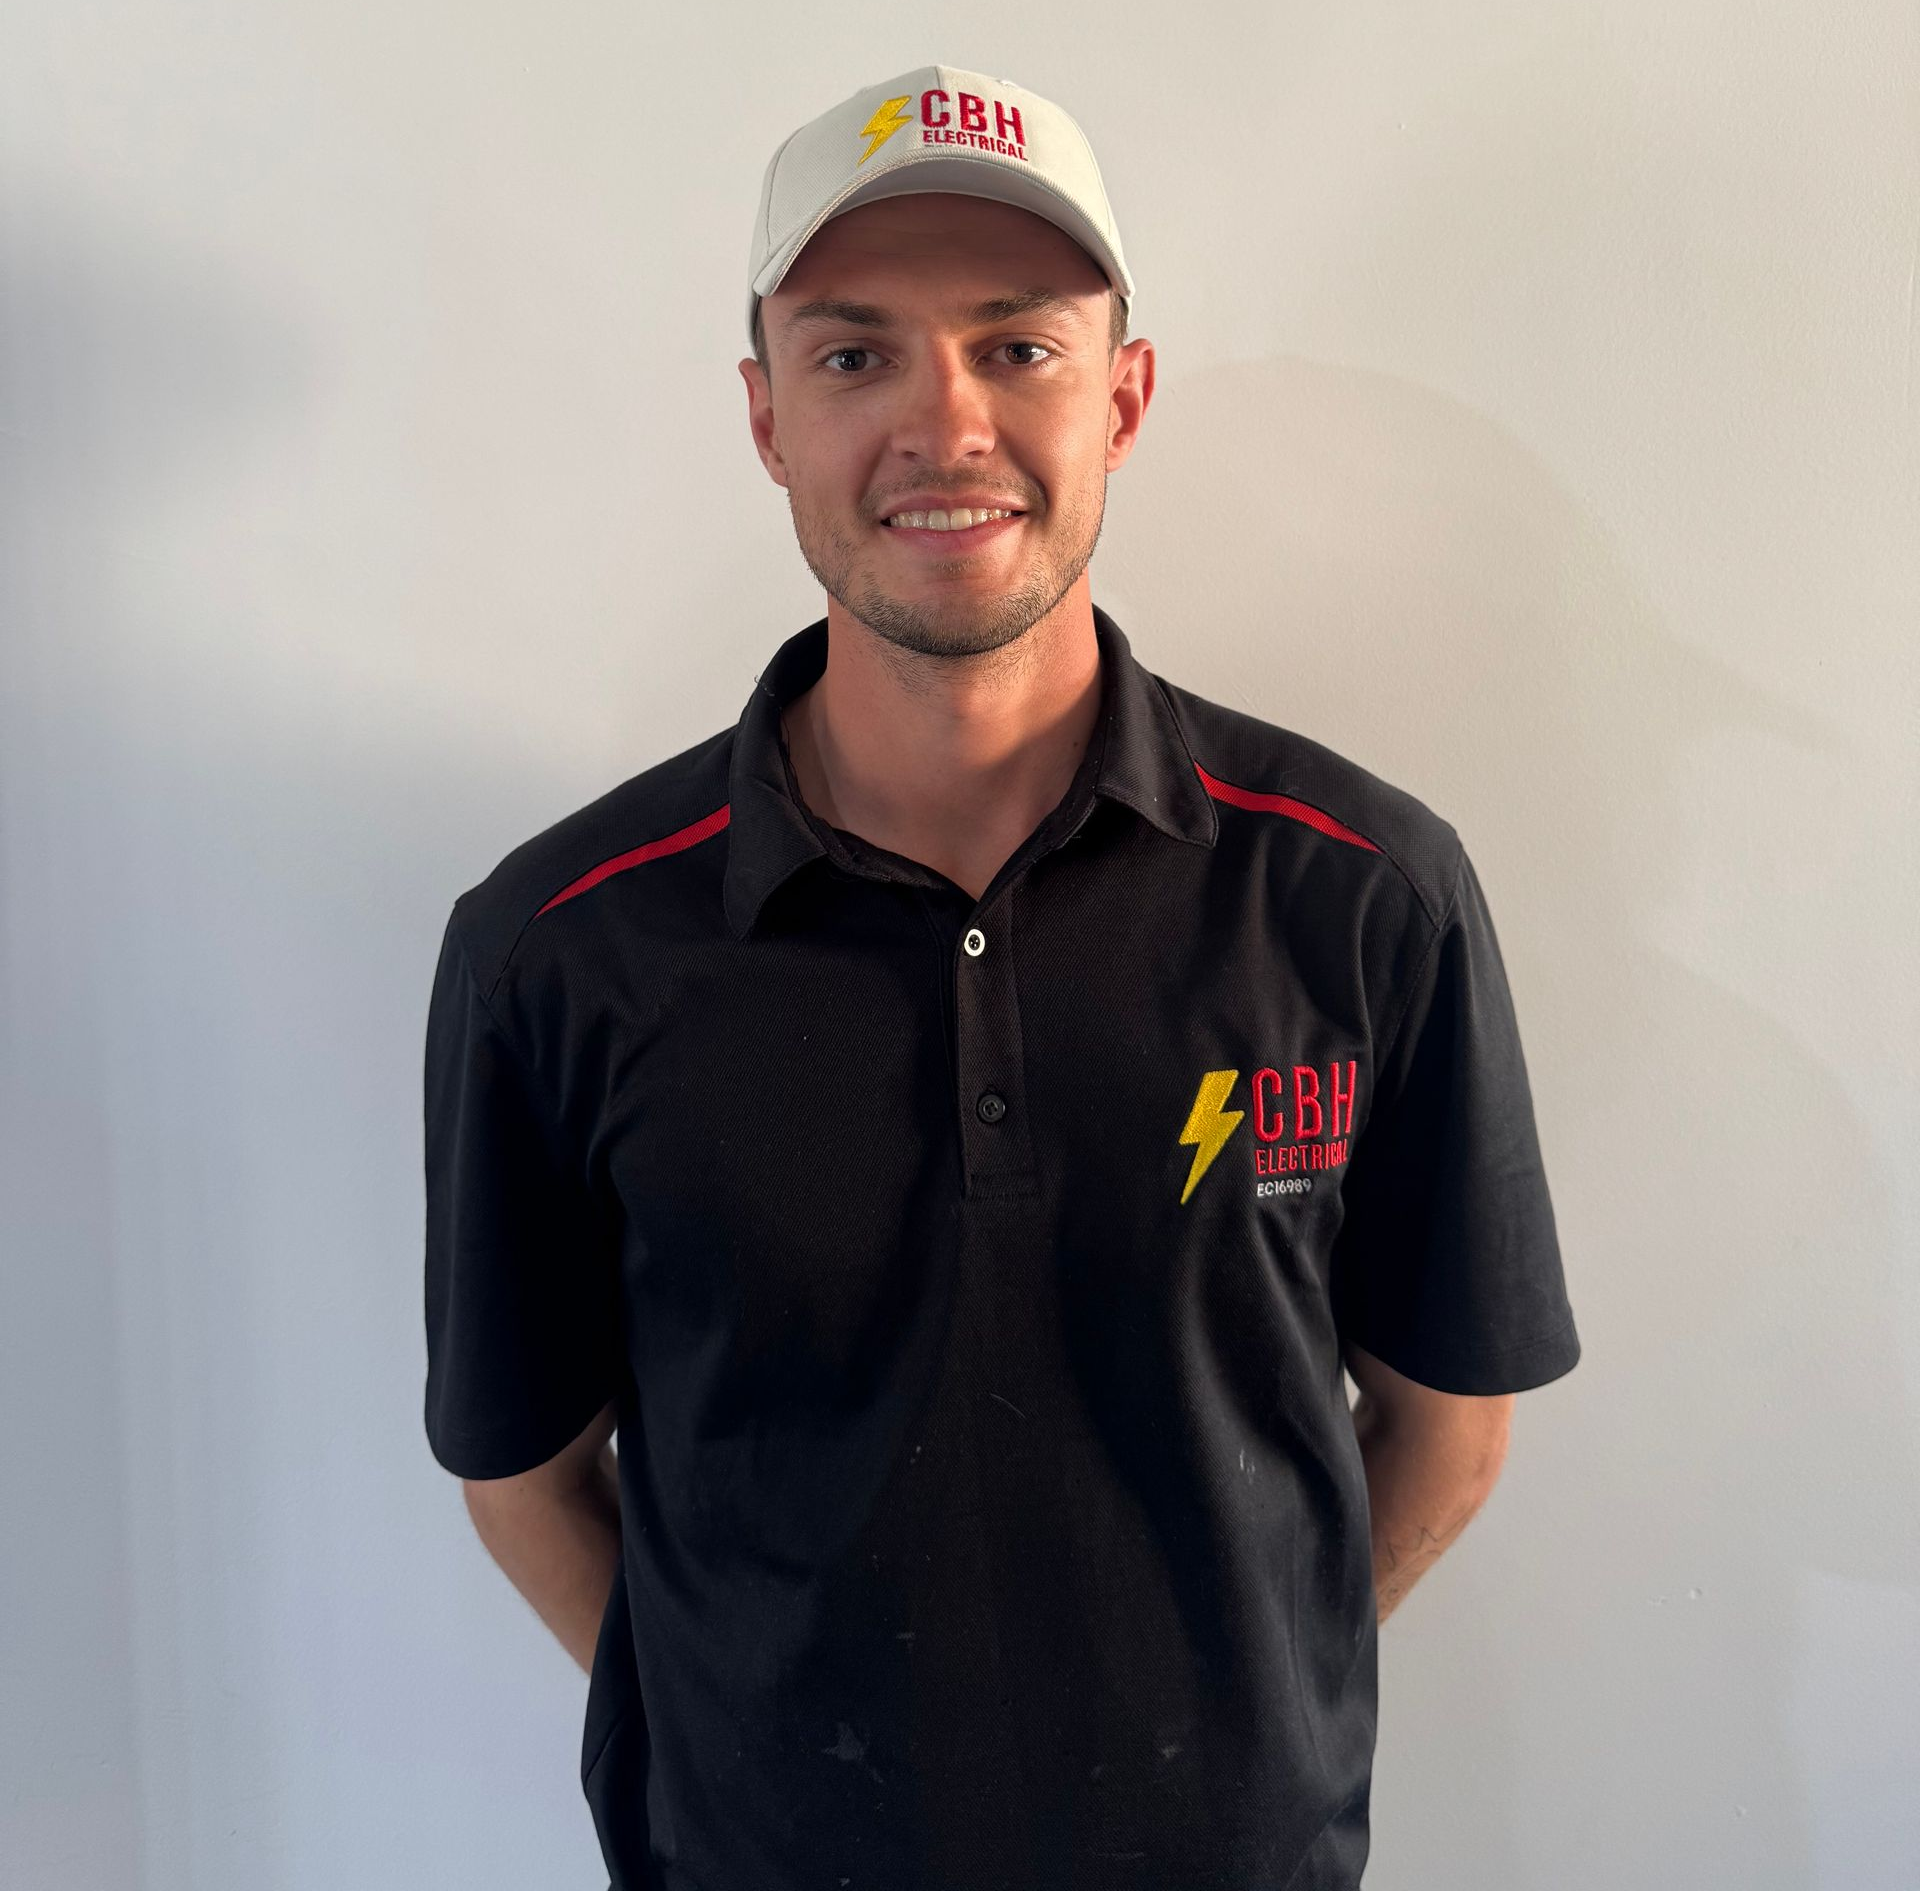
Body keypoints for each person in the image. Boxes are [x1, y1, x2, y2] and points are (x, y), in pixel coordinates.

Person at [422, 62, 1581, 1891]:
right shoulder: (561, 948)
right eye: (856, 352)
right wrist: (742, 1745)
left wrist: (1256, 1692)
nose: (942, 424)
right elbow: (522, 1477)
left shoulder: (1363, 895)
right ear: (764, 414)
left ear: (1122, 395)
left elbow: (1451, 1419)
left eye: (1018, 346)